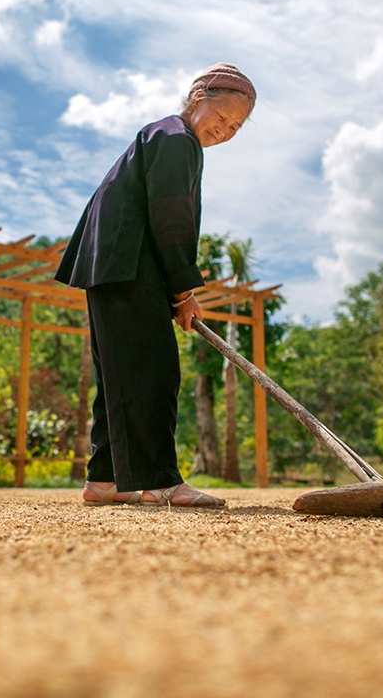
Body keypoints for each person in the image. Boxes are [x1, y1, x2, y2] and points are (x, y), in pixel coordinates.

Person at [55, 63, 255, 507]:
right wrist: (183, 291)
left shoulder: (163, 135)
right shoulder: (176, 138)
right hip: (129, 262)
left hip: (114, 264)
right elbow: (171, 216)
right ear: (198, 96)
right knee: (151, 370)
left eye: (236, 127)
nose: (226, 130)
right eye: (223, 117)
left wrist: (176, 289)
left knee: (121, 376)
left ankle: (105, 479)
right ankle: (158, 480)